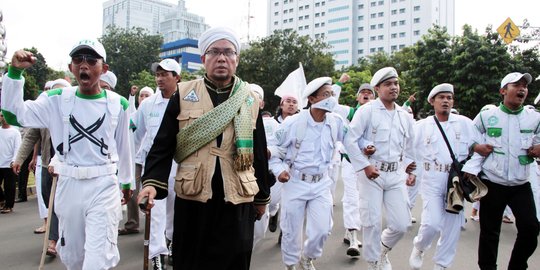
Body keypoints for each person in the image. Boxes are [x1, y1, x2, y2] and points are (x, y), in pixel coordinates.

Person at [137, 27, 270, 270]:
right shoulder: (184, 93)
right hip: (194, 195)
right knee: (191, 260)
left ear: (236, 60)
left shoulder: (249, 98)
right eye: (215, 52)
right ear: (203, 59)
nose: (222, 58)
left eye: (228, 52)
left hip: (237, 195)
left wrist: (261, 197)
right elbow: (163, 144)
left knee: (235, 260)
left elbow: (258, 152)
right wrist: (151, 183)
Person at [1, 38, 133, 269]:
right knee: (72, 258)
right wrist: (14, 73)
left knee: (97, 258)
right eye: (78, 60)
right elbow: (14, 115)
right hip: (68, 186)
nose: (84, 65)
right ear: (71, 67)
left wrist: (126, 183)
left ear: (104, 69)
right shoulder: (55, 100)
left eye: (92, 60)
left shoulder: (118, 104)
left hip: (103, 185)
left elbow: (124, 148)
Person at [462, 72, 540, 270]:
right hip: (492, 183)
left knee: (531, 229)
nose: (522, 88)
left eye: (524, 86)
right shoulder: (487, 116)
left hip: (521, 184)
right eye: (516, 85)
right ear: (503, 91)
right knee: (490, 233)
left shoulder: (535, 118)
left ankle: (517, 265)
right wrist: (476, 147)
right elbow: (468, 138)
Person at [344, 67, 416, 270]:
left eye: (396, 83)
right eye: (388, 84)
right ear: (377, 88)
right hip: (371, 174)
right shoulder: (366, 111)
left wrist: (410, 171)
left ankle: (383, 248)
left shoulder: (404, 115)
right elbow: (350, 140)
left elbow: (411, 147)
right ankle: (374, 262)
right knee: (371, 222)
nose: (394, 87)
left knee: (402, 224)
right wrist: (364, 166)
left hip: (395, 174)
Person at [269, 77, 345, 270]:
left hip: (321, 183)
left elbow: (353, 141)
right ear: (312, 99)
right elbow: (274, 152)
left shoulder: (336, 122)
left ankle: (308, 257)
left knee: (322, 229)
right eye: (326, 95)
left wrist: (367, 149)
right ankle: (291, 264)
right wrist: (280, 172)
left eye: (332, 94)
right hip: (295, 182)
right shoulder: (293, 123)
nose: (331, 99)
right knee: (291, 230)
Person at [408, 83, 480, 270]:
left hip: (455, 182)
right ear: (432, 101)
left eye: (449, 98)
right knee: (431, 223)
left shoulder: (465, 123)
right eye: (442, 98)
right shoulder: (421, 126)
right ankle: (419, 246)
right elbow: (408, 151)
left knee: (452, 228)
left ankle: (442, 265)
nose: (446, 101)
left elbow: (479, 148)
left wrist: (471, 168)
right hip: (431, 178)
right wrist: (410, 172)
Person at [132, 58, 182, 268]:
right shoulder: (147, 104)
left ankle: (170, 242)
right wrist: (135, 161)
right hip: (154, 166)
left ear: (177, 77)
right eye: (158, 74)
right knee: (156, 210)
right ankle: (156, 255)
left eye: (165, 74)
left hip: (179, 164)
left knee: (174, 209)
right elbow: (137, 134)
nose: (160, 78)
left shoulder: (186, 101)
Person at [333, 82, 376, 257]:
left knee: (364, 199)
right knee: (351, 197)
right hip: (350, 162)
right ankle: (353, 236)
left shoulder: (378, 115)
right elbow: (330, 102)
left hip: (371, 164)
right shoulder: (349, 112)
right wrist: (338, 84)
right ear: (357, 97)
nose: (366, 95)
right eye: (363, 92)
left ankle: (350, 231)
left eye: (370, 93)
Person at [0, 111, 21, 214]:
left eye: (3, 116)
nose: (2, 118)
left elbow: (18, 147)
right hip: (0, 162)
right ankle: (2, 199)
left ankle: (8, 205)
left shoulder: (15, 132)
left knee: (9, 186)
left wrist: (14, 160)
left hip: (9, 163)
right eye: (1, 116)